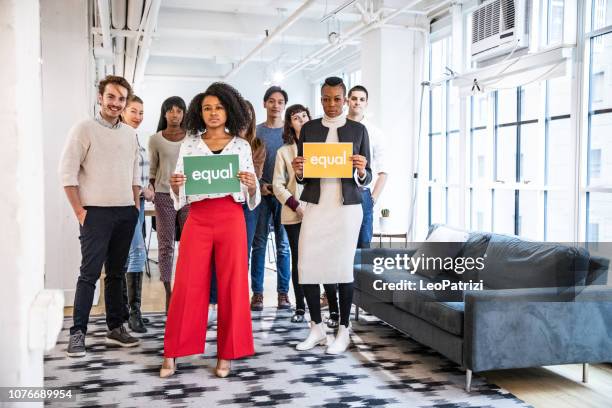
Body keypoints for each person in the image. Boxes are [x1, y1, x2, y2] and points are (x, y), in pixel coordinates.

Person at [160, 82, 259, 379]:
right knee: (188, 284)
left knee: (233, 286)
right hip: (198, 218)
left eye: (218, 107)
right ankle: (173, 351)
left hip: (231, 216)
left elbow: (250, 191)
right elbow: (181, 189)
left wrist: (251, 185)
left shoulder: (241, 146)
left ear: (229, 110)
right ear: (198, 113)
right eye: (207, 108)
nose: (213, 113)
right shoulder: (190, 144)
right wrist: (177, 186)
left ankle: (227, 353)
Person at [60, 75, 142, 357]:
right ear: (100, 97)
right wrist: (80, 212)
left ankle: (116, 327)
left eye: (121, 98)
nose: (116, 103)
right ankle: (77, 333)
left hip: (125, 212)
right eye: (111, 97)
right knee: (89, 274)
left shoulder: (130, 134)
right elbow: (67, 174)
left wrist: (134, 205)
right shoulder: (84, 129)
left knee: (116, 274)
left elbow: (134, 173)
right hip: (94, 213)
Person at [292, 76, 371, 355]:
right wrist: (298, 168)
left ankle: (344, 330)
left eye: (337, 98)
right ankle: (316, 328)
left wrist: (361, 170)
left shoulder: (358, 130)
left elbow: (367, 175)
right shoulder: (310, 129)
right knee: (307, 265)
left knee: (342, 268)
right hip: (316, 206)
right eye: (326, 98)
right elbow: (302, 177)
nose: (331, 104)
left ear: (346, 99)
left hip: (346, 209)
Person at [208, 100, 265, 323]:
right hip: (222, 203)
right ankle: (213, 301)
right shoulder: (221, 140)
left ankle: (236, 303)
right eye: (239, 114)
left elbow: (255, 176)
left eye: (247, 115)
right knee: (217, 255)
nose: (243, 119)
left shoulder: (257, 144)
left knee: (242, 256)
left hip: (247, 205)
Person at [250, 86, 292, 311]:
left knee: (283, 245)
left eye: (280, 102)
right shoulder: (255, 132)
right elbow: (248, 165)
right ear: (265, 103)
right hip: (261, 194)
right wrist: (260, 186)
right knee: (258, 244)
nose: (276, 105)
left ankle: (283, 294)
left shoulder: (290, 133)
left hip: (284, 196)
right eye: (272, 101)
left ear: (284, 106)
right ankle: (257, 294)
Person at [148, 96, 189, 312]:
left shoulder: (192, 138)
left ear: (184, 113)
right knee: (165, 245)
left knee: (189, 244)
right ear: (164, 113)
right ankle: (168, 291)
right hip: (164, 196)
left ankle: (185, 289)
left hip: (188, 196)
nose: (175, 114)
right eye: (171, 110)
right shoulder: (155, 139)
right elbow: (153, 170)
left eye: (179, 110)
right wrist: (153, 190)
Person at [272, 104, 310, 323]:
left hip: (319, 214)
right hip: (294, 213)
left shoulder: (321, 148)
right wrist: (297, 206)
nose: (301, 120)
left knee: (318, 260)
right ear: (290, 123)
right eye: (296, 118)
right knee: (299, 261)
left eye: (304, 116)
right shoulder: (283, 152)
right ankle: (300, 308)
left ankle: (325, 308)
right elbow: (278, 185)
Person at [120, 95, 155, 333]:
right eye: (134, 111)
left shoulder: (135, 138)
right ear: (123, 111)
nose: (138, 116)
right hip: (126, 203)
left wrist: (148, 187)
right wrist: (139, 192)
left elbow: (140, 173)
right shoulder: (120, 138)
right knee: (136, 253)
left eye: (141, 112)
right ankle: (133, 313)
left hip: (140, 203)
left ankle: (129, 311)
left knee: (132, 253)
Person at [347, 85, 389, 248]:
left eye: (361, 99)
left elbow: (384, 171)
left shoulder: (375, 133)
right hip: (339, 194)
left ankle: (361, 275)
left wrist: (373, 199)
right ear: (347, 101)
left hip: (363, 194)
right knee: (342, 246)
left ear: (366, 103)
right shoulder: (336, 129)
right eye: (354, 98)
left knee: (363, 246)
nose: (357, 102)